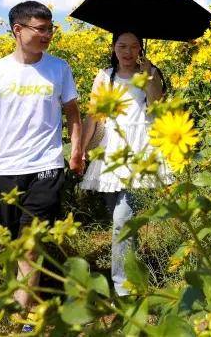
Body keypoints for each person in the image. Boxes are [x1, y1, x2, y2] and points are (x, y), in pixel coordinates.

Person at [0, 0, 85, 310]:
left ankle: (27, 313)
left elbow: (73, 112)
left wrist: (76, 150)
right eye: (41, 29)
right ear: (18, 30)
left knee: (30, 244)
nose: (48, 35)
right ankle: (19, 299)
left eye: (50, 29)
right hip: (7, 169)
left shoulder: (59, 68)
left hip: (47, 165)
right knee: (14, 243)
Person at [79, 30, 165, 297]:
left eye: (134, 47)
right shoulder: (105, 76)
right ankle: (131, 268)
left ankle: (123, 286)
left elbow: (158, 108)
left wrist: (150, 77)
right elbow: (94, 116)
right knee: (120, 218)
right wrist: (81, 149)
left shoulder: (150, 75)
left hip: (140, 149)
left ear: (141, 49)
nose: (128, 52)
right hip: (110, 151)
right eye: (122, 46)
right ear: (114, 48)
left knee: (122, 219)